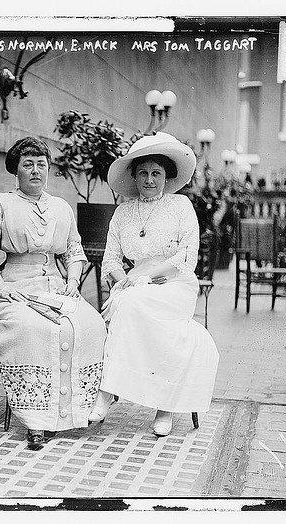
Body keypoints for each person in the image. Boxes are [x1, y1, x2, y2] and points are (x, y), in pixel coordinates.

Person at [0, 137, 106, 450]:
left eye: (41, 165)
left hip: (57, 287)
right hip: (15, 290)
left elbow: (74, 250)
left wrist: (73, 282)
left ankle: (80, 410)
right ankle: (37, 421)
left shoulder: (60, 207)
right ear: (16, 171)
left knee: (92, 323)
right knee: (35, 329)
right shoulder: (0, 203)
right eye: (28, 165)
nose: (35, 171)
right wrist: (2, 286)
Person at [90, 132, 219, 437]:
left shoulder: (180, 206)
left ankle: (164, 407)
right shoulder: (122, 213)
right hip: (134, 284)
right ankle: (107, 393)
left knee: (130, 303)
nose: (149, 180)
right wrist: (125, 282)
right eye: (144, 173)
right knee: (127, 301)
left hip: (174, 283)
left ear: (166, 177)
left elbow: (187, 256)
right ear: (134, 176)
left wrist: (144, 280)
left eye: (156, 173)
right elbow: (111, 261)